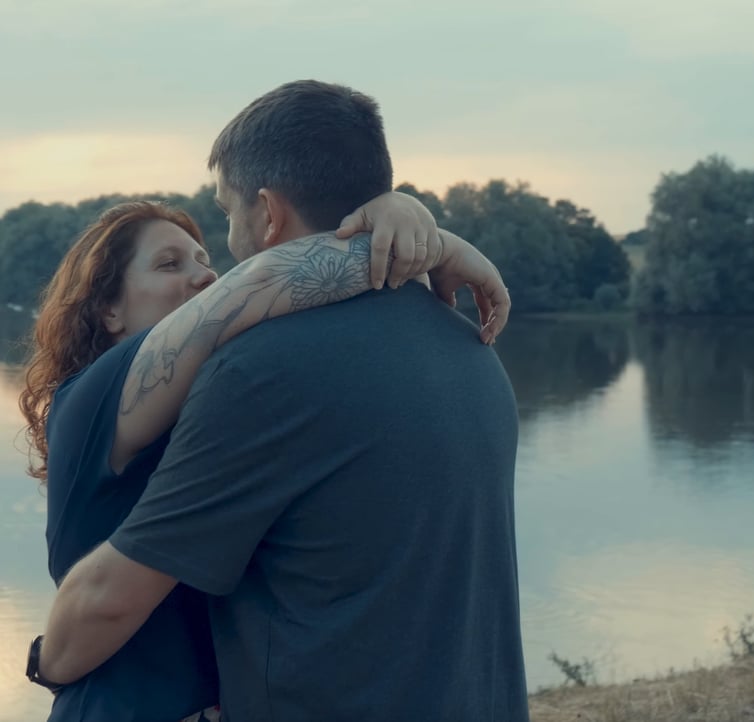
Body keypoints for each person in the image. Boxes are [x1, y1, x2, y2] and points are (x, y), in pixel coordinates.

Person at [36, 80, 529, 721]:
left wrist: (410, 223)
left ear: (266, 212)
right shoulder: (470, 349)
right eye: (167, 264)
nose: (208, 273)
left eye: (218, 227)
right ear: (104, 306)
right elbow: (258, 283)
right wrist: (423, 237)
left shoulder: (252, 379)